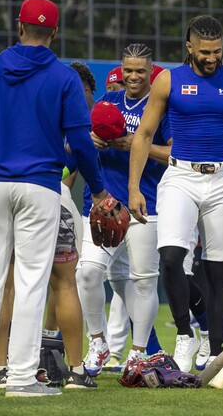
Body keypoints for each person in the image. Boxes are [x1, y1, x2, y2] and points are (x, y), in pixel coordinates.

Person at [0, 0, 109, 397]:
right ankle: (22, 379)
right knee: (31, 282)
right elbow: (80, 140)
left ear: (19, 26)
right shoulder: (63, 77)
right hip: (41, 184)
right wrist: (97, 189)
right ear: (55, 32)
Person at [128, 15, 223, 372]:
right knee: (172, 258)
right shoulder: (168, 79)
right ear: (189, 47)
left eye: (218, 51)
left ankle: (215, 354)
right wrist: (133, 187)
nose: (212, 58)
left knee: (217, 271)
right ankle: (184, 334)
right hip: (180, 175)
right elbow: (144, 135)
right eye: (205, 51)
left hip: (222, 177)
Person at [77, 43, 170, 375]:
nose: (133, 76)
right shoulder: (106, 103)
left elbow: (173, 154)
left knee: (144, 281)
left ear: (151, 71)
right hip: (102, 205)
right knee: (87, 273)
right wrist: (92, 138)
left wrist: (138, 142)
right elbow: (81, 142)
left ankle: (139, 352)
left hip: (146, 205)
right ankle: (98, 343)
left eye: (140, 71)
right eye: (128, 70)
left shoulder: (160, 107)